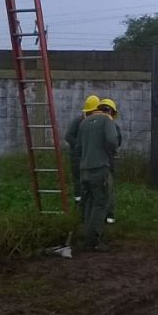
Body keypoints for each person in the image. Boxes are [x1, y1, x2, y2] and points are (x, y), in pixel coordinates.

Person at [75, 101, 119, 252]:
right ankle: (93, 241)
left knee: (88, 203)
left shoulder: (84, 123)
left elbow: (78, 147)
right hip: (100, 169)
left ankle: (86, 236)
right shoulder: (107, 121)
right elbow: (113, 141)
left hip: (84, 170)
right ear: (111, 112)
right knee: (100, 204)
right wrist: (110, 153)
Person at [64, 95, 100, 212]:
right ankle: (78, 203)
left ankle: (87, 202)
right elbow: (68, 136)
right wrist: (80, 147)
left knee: (87, 180)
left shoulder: (95, 122)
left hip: (87, 157)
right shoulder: (78, 121)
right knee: (78, 180)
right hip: (77, 156)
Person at [98, 99, 122, 225]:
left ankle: (109, 216)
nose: (105, 112)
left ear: (112, 113)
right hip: (99, 162)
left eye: (107, 110)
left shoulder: (114, 127)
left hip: (108, 162)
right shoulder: (97, 125)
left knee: (108, 189)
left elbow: (116, 143)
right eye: (103, 109)